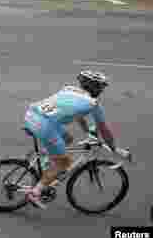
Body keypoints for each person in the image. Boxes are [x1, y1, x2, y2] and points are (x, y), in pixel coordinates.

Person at [21, 70, 130, 208]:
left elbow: (78, 115)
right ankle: (35, 192)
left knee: (67, 139)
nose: (102, 90)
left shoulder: (69, 89)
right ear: (95, 87)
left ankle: (45, 161)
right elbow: (104, 130)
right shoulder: (92, 103)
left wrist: (87, 133)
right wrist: (114, 148)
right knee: (64, 163)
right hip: (45, 126)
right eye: (101, 87)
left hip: (32, 115)